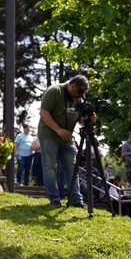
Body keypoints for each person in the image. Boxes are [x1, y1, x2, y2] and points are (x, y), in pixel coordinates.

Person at [38, 74, 88, 208]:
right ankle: (54, 199)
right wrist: (58, 129)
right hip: (49, 135)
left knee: (72, 168)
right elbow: (43, 112)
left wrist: (88, 119)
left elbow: (81, 120)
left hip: (67, 138)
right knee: (50, 167)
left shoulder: (78, 98)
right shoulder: (54, 91)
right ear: (72, 86)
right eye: (78, 92)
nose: (79, 96)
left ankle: (76, 200)